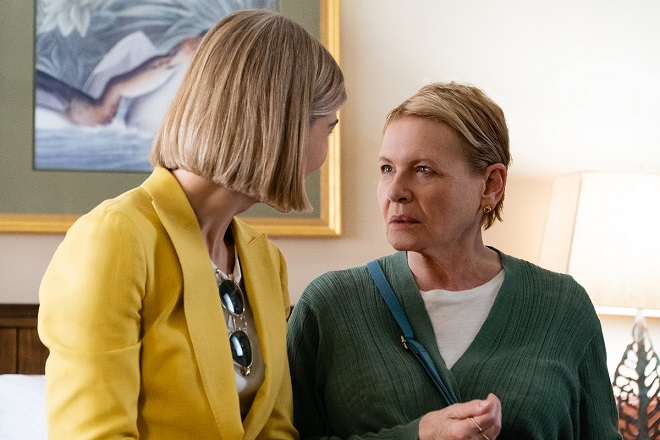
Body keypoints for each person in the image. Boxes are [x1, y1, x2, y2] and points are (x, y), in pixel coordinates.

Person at [38, 9, 345, 439]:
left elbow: (275, 429)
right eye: (328, 129)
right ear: (286, 127)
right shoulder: (114, 239)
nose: (326, 153)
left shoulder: (264, 260)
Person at [287, 82, 621, 439]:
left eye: (423, 169)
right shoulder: (331, 306)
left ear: (491, 185)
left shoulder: (563, 307)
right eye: (386, 168)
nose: (395, 191)